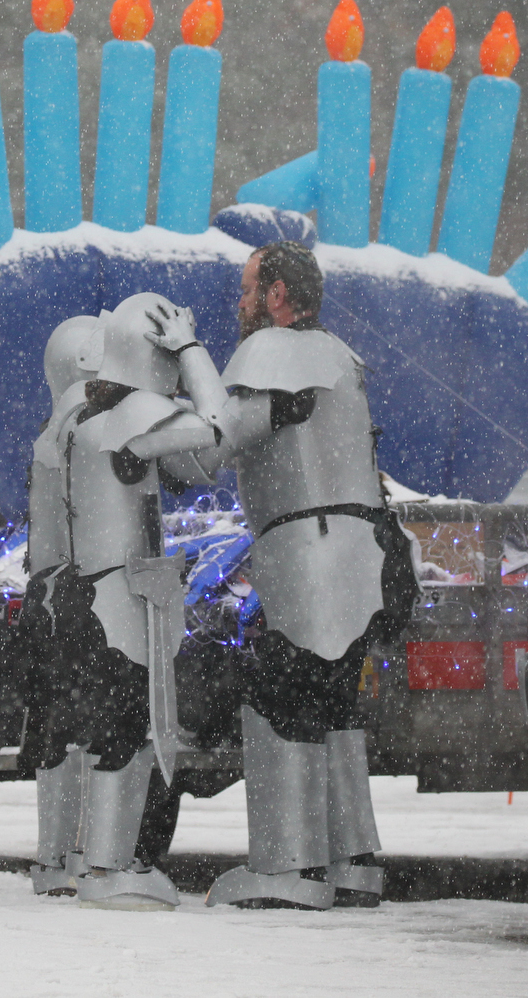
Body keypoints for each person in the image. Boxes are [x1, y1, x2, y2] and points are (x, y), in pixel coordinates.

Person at [160, 240, 415, 911]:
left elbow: (220, 438)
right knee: (332, 706)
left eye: (248, 288)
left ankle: (289, 867)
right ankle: (353, 861)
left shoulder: (276, 351)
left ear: (278, 295)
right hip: (359, 552)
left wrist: (158, 434)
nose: (239, 301)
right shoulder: (340, 356)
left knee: (280, 697)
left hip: (311, 548)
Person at [48, 293, 221, 911]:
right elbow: (217, 425)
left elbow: (202, 464)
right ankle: (107, 866)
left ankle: (103, 863)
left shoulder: (85, 418)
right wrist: (193, 351)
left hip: (94, 594)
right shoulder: (126, 416)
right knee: (127, 733)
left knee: (120, 734)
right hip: (117, 598)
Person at [19, 315, 100, 896]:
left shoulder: (50, 432)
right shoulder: (88, 431)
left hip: (46, 595)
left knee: (56, 723)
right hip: (83, 592)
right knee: (95, 723)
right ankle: (84, 851)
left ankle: (54, 855)